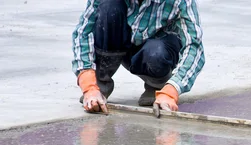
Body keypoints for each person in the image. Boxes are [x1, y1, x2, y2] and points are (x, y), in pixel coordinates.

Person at [72, 0, 205, 114]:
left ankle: (157, 85)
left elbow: (194, 46)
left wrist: (171, 91)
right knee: (108, 6)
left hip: (155, 51)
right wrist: (89, 85)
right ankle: (99, 85)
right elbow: (83, 33)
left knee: (156, 52)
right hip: (120, 43)